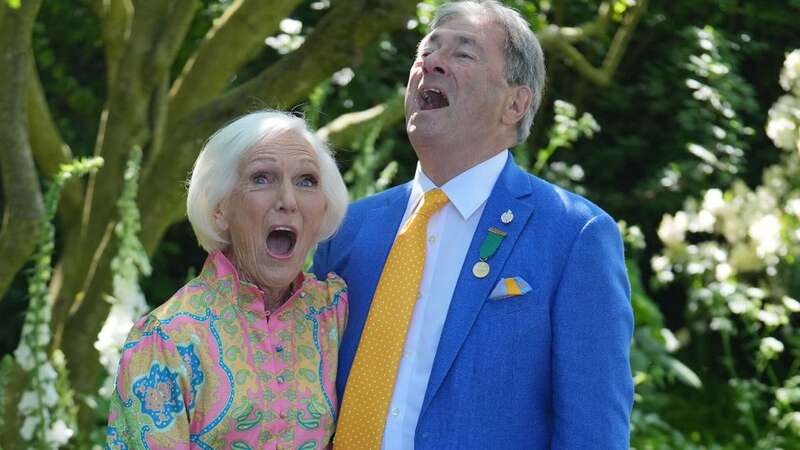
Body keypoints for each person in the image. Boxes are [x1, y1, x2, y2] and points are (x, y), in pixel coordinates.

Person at [313, 1, 633, 449]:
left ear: (515, 104)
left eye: (463, 54)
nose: (432, 63)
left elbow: (593, 434)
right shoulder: (346, 229)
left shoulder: (574, 235)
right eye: (426, 51)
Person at [106, 110, 350, 449]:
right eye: (262, 178)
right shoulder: (167, 337)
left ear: (323, 208)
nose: (288, 201)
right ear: (219, 208)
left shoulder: (334, 312)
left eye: (307, 181)